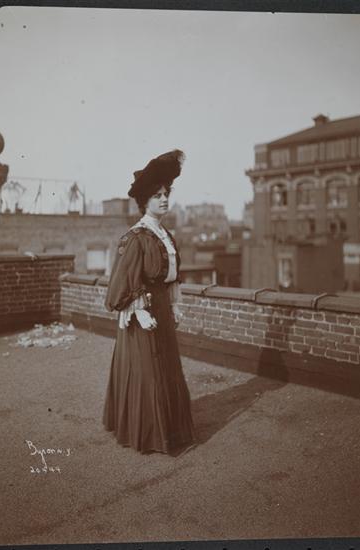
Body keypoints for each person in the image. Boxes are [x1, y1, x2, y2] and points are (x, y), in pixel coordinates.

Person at [102, 149, 196, 454]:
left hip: (162, 311)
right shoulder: (137, 236)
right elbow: (121, 283)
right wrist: (139, 309)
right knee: (148, 371)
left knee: (165, 370)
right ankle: (147, 434)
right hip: (142, 314)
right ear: (145, 202)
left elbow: (171, 275)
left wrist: (175, 304)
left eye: (166, 194)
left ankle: (170, 430)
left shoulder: (164, 234)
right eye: (157, 196)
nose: (164, 199)